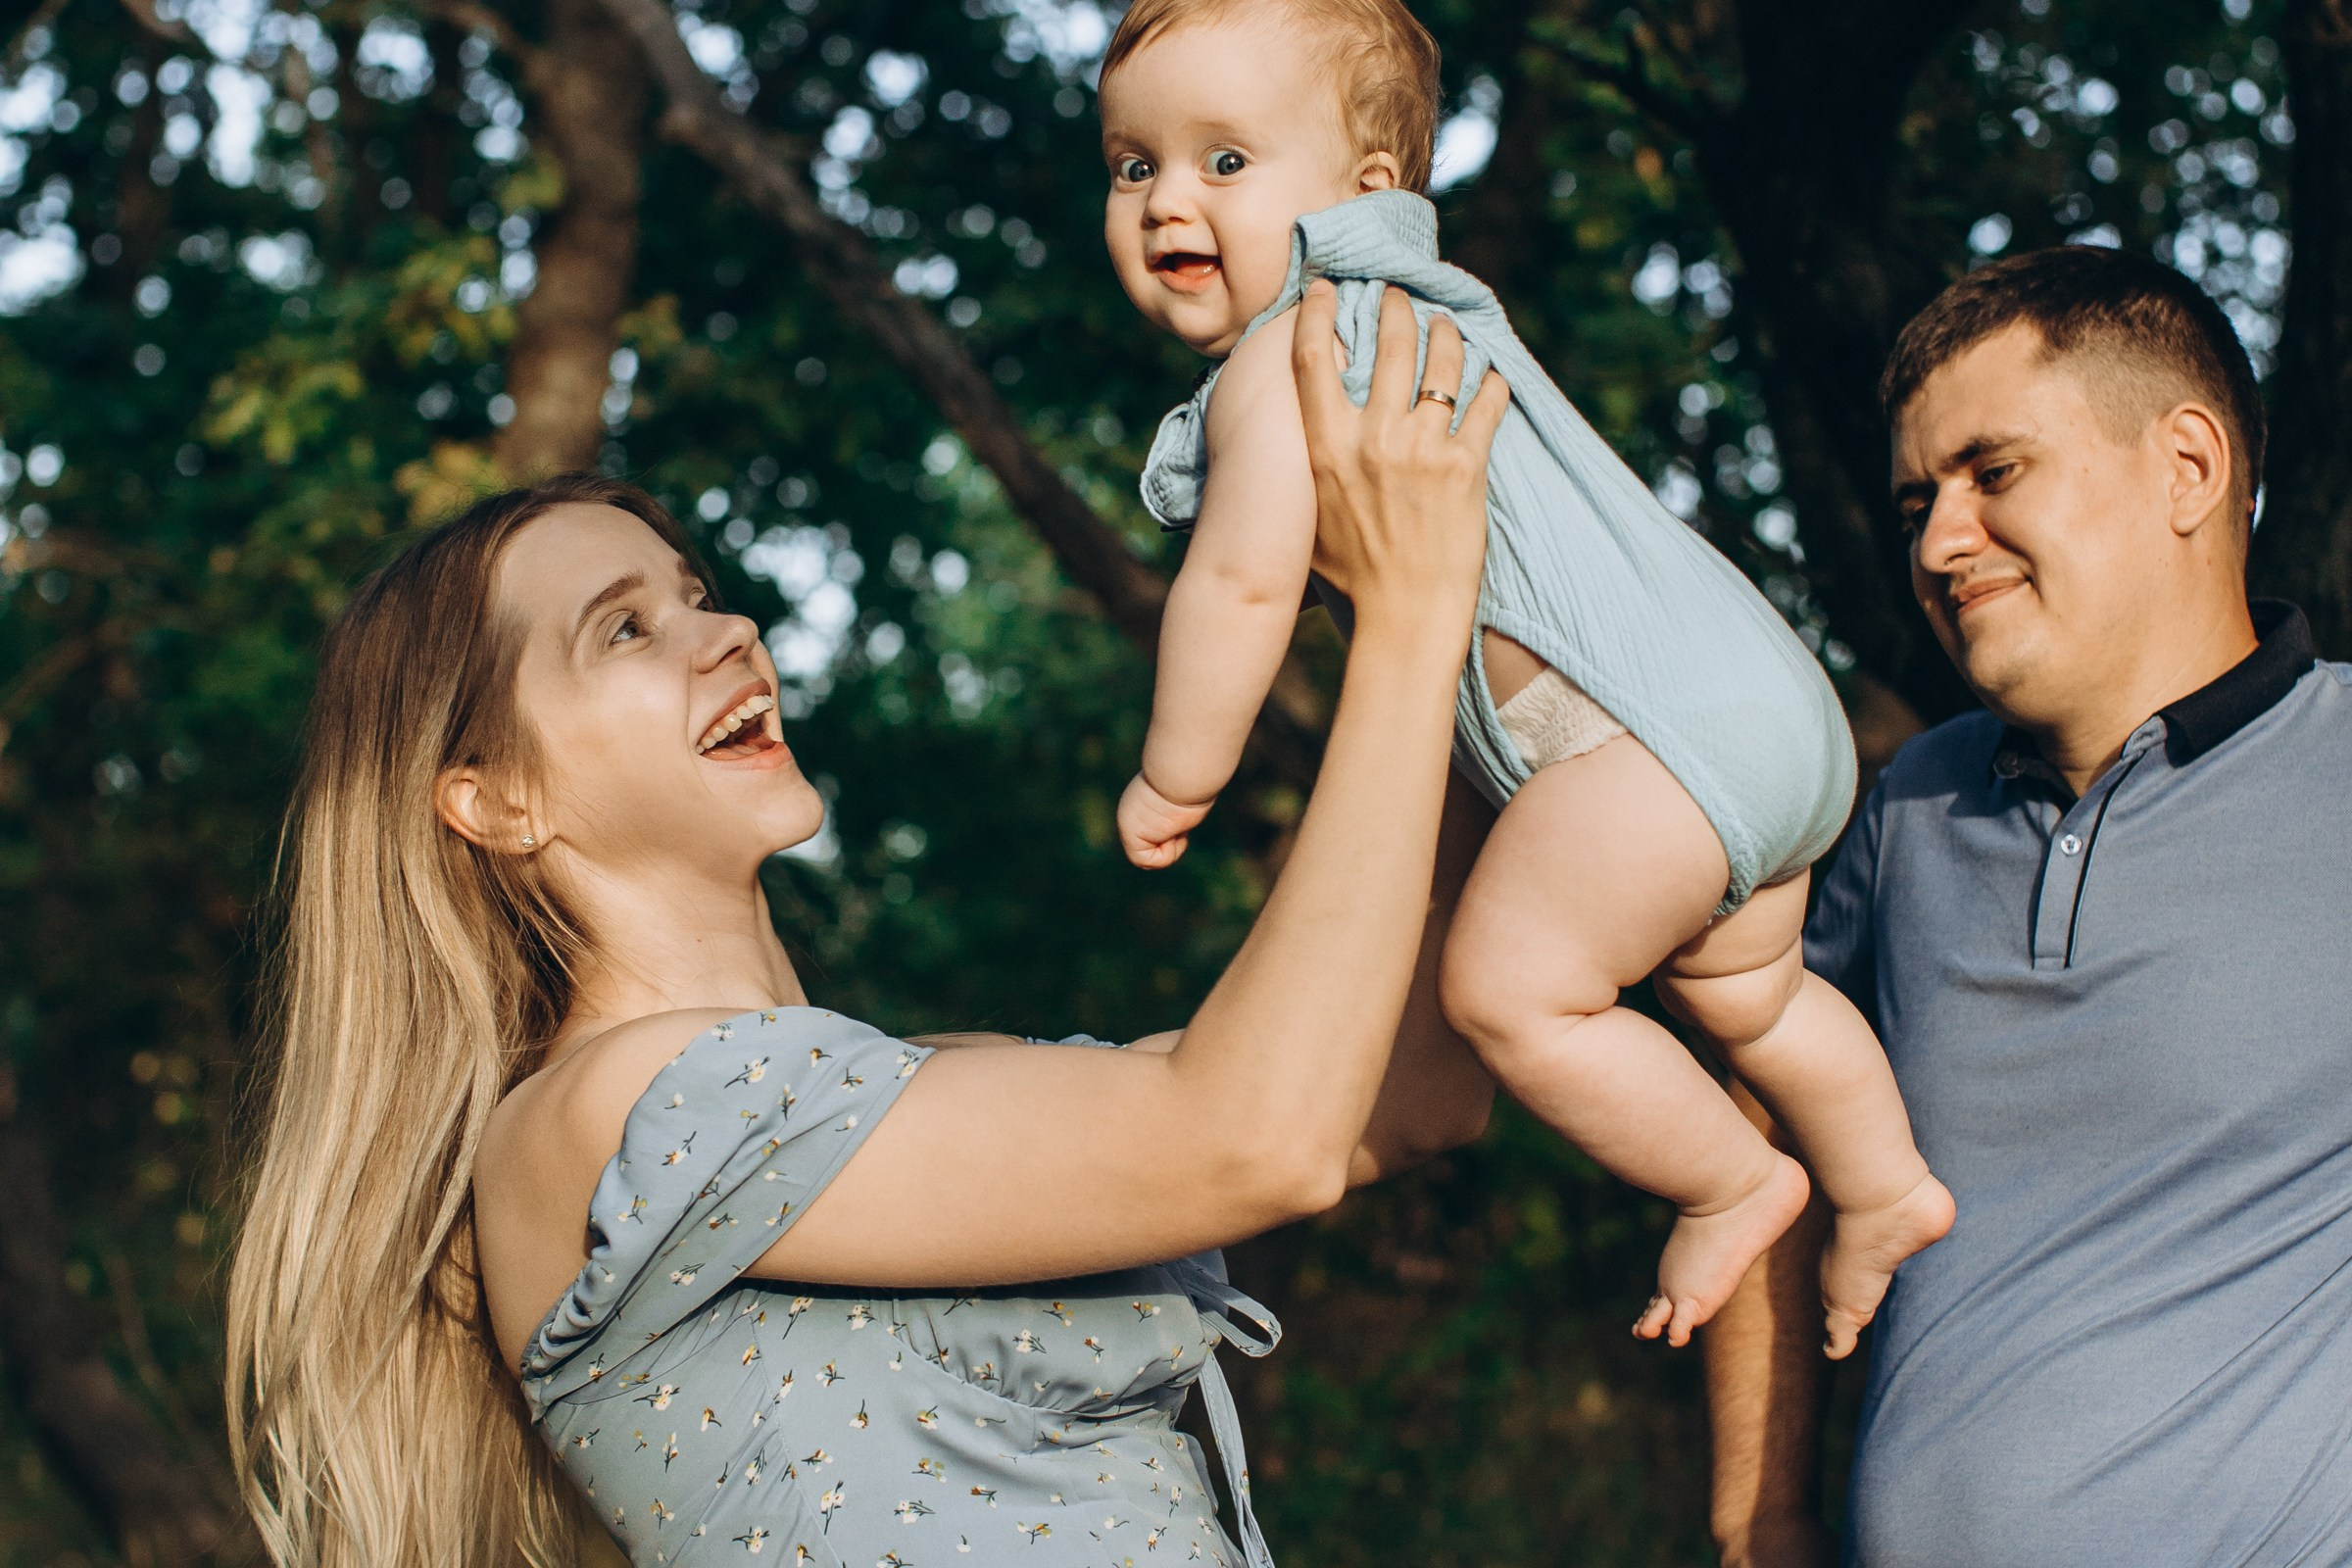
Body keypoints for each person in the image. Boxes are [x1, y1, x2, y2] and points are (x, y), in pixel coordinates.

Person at [222, 285, 1507, 1567]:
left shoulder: (923, 1087)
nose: (729, 633)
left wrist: (1430, 630)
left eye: (696, 594)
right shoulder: (604, 1119)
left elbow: (1407, 1095)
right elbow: (1252, 1141)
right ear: (495, 798)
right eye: (625, 630)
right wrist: (1410, 617)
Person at [1098, 0, 1949, 1355]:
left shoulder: (1296, 347)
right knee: (1757, 997)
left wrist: (1174, 769)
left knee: (1509, 988)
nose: (1163, 203)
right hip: (1763, 704)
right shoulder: (1448, 319)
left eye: (1225, 161)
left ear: (1366, 190)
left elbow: (1241, 583)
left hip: (1629, 746)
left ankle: (1736, 1182)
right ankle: (1888, 1181)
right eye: (1135, 164)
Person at [1706, 244, 2352, 1568]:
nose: (1940, 544)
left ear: (2189, 467)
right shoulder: (1908, 810)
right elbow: (1769, 1137)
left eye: (1994, 474)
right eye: (1913, 506)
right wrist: (1757, 1519)